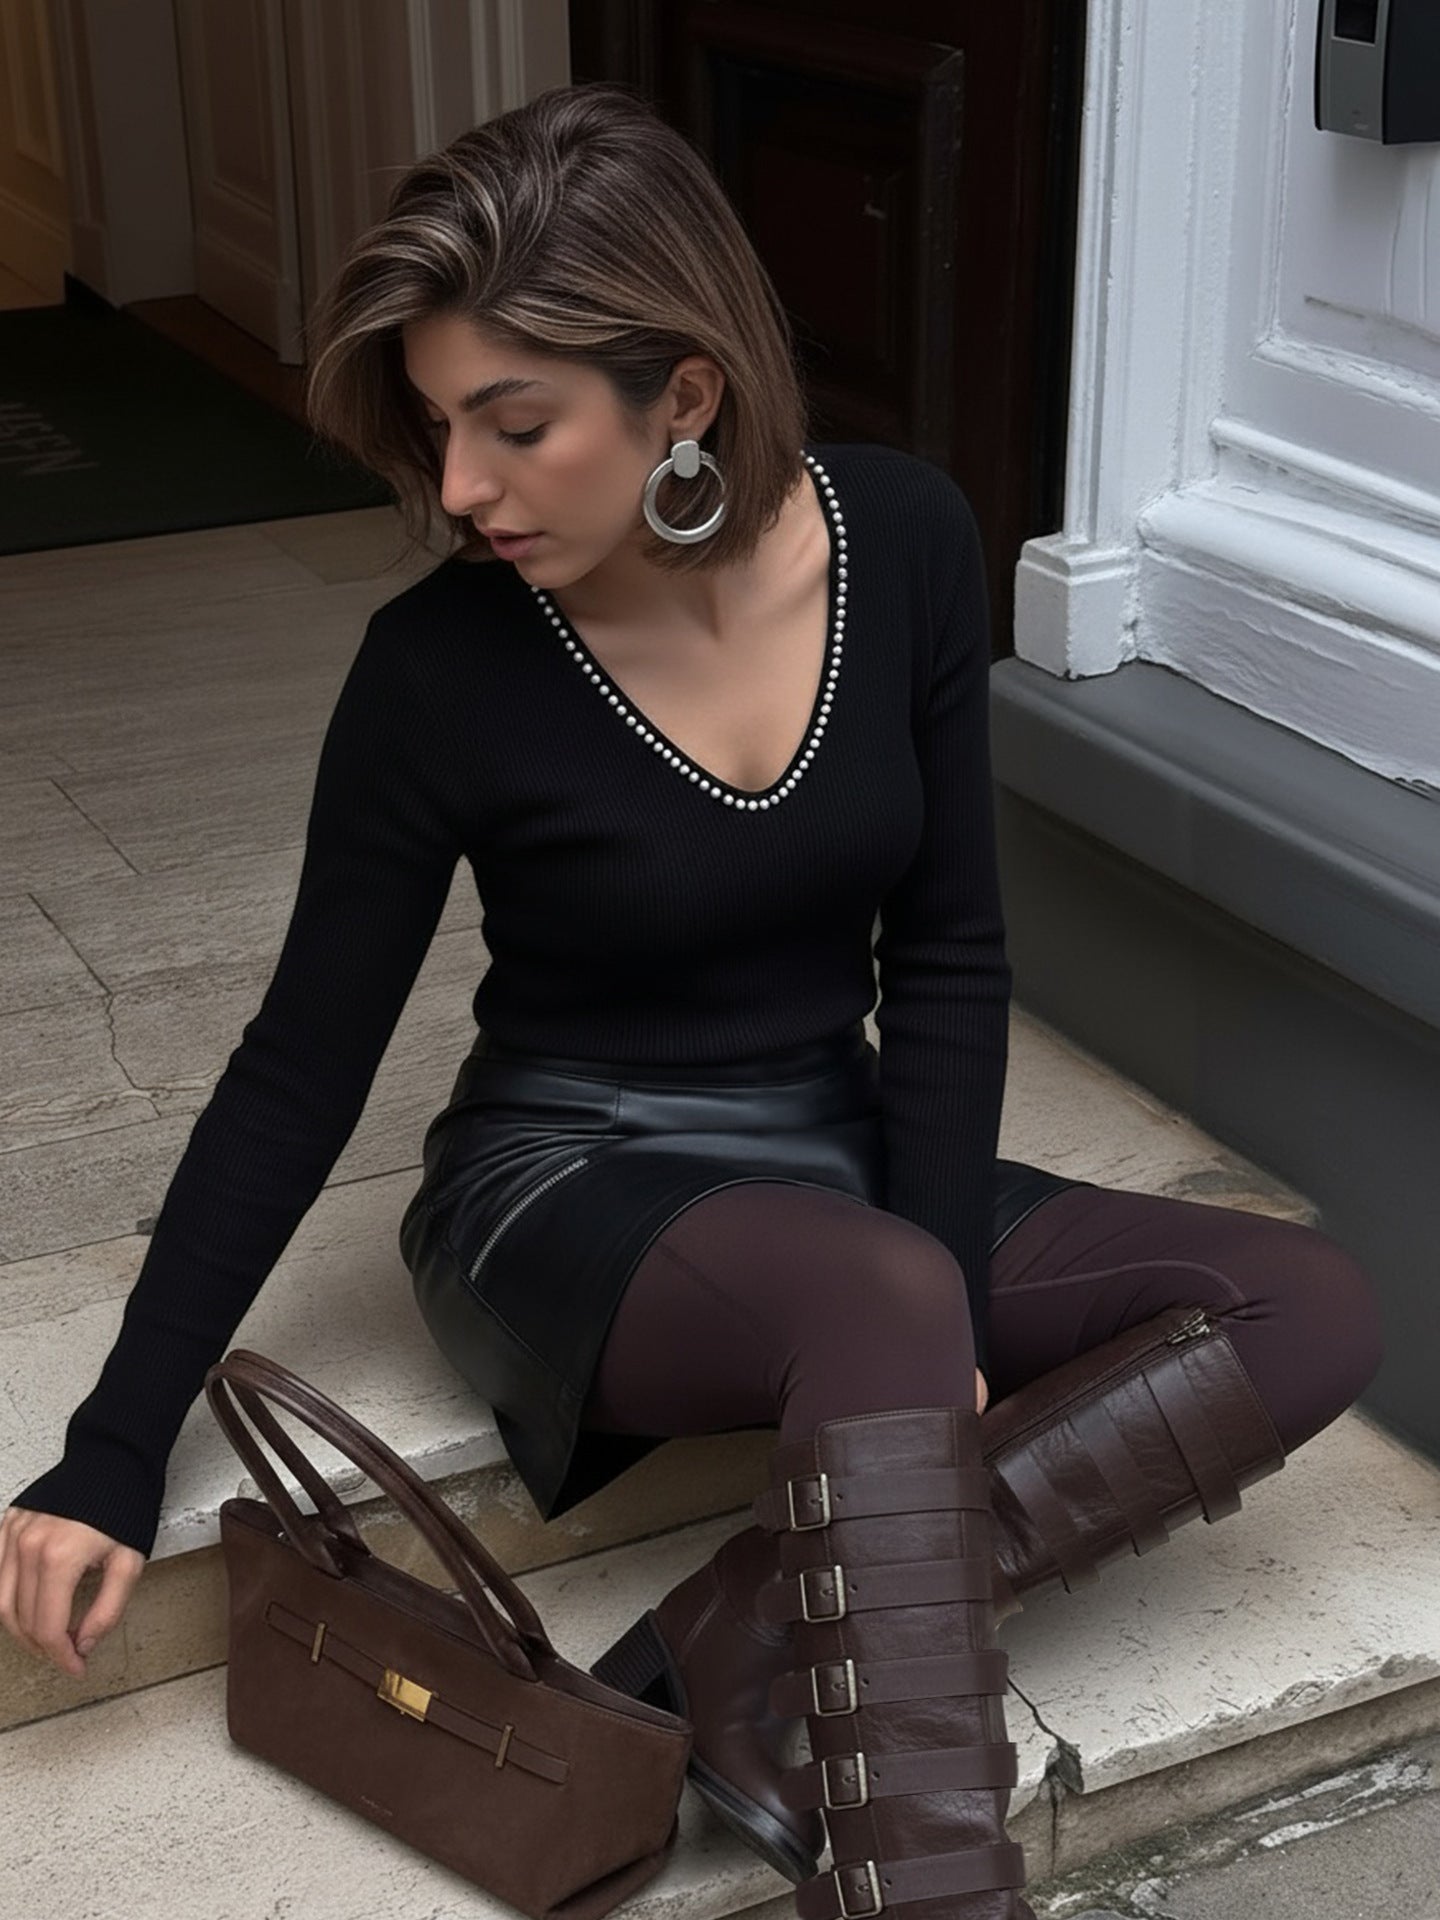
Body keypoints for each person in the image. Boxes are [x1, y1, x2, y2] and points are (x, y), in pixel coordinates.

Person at [0, 82, 1382, 1919]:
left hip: (827, 1144)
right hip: (566, 1180)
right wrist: (108, 1451)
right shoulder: (438, 671)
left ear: (688, 397)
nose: (464, 489)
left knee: (1299, 1301)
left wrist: (949, 1304)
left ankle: (717, 1662)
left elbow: (952, 957)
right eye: (438, 428)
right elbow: (295, 1071)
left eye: (516, 425)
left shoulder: (897, 541)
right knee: (889, 1289)